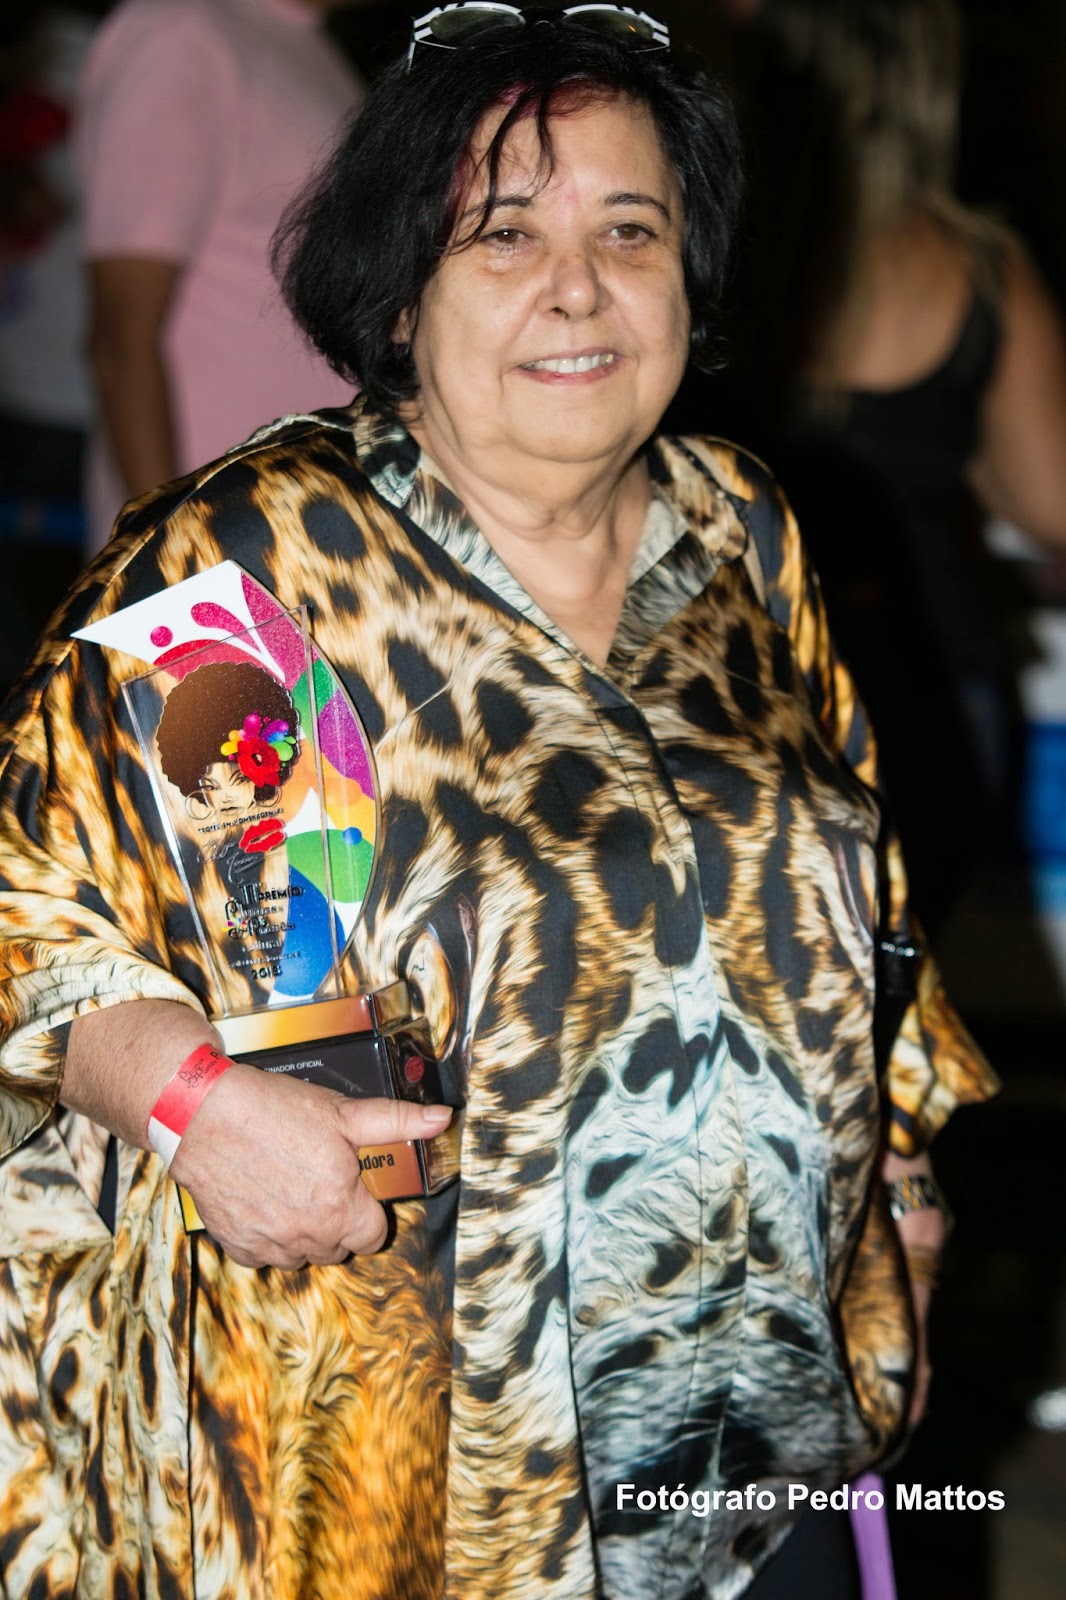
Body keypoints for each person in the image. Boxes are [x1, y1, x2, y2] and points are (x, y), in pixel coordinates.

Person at [0, 11, 996, 1598]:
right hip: (404, 1465)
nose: (576, 287)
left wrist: (907, 1228)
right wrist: (197, 1109)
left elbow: (862, 911)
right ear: (400, 289)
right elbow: (32, 910)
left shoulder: (740, 532)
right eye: (504, 233)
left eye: (629, 230)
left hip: (759, 1423)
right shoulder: (256, 572)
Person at [676, 0, 1066, 936]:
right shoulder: (978, 267)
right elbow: (1052, 504)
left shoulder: (689, 244)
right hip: (932, 675)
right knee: (901, 973)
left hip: (731, 665)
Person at [76, 0, 362, 552]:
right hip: (218, 544)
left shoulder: (303, 43)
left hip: (313, 528)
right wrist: (170, 557)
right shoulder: (180, 34)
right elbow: (121, 335)